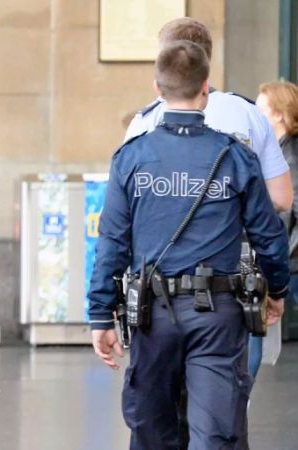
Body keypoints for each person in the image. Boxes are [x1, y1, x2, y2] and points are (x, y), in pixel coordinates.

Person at [89, 40, 289, 449]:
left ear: (157, 89)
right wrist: (278, 290)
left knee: (152, 431)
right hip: (218, 314)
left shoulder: (132, 157)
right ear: (206, 88)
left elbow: (111, 241)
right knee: (215, 432)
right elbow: (269, 235)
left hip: (151, 315)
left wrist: (99, 315)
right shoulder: (235, 156)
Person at [125, 17, 293, 213]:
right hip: (234, 240)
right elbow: (281, 199)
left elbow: (123, 201)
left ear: (163, 61)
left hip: (160, 240)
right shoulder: (249, 113)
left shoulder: (145, 121)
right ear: (208, 60)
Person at [250, 80, 298, 377]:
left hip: (289, 259)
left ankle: (239, 400)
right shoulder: (277, 152)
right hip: (287, 259)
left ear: (279, 115)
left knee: (253, 326)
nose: (255, 116)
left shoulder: (289, 155)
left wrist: (280, 259)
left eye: (260, 109)